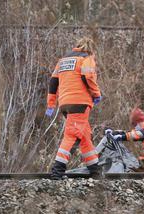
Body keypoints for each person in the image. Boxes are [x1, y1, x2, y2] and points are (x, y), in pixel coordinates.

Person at [46, 37, 102, 179]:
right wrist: (96, 94)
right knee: (72, 135)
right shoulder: (87, 58)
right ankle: (57, 171)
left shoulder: (63, 61)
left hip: (65, 103)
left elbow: (53, 82)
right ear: (91, 48)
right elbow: (88, 76)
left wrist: (51, 104)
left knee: (84, 136)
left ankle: (95, 171)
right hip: (80, 102)